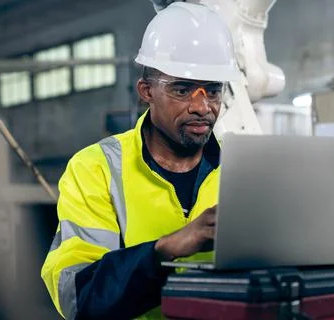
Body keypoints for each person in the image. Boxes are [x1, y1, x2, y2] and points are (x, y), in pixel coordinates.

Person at [41, 2, 240, 319]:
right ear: (146, 91)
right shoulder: (96, 169)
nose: (202, 106)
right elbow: (78, 297)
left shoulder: (242, 170)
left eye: (213, 91)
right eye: (183, 89)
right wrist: (167, 248)